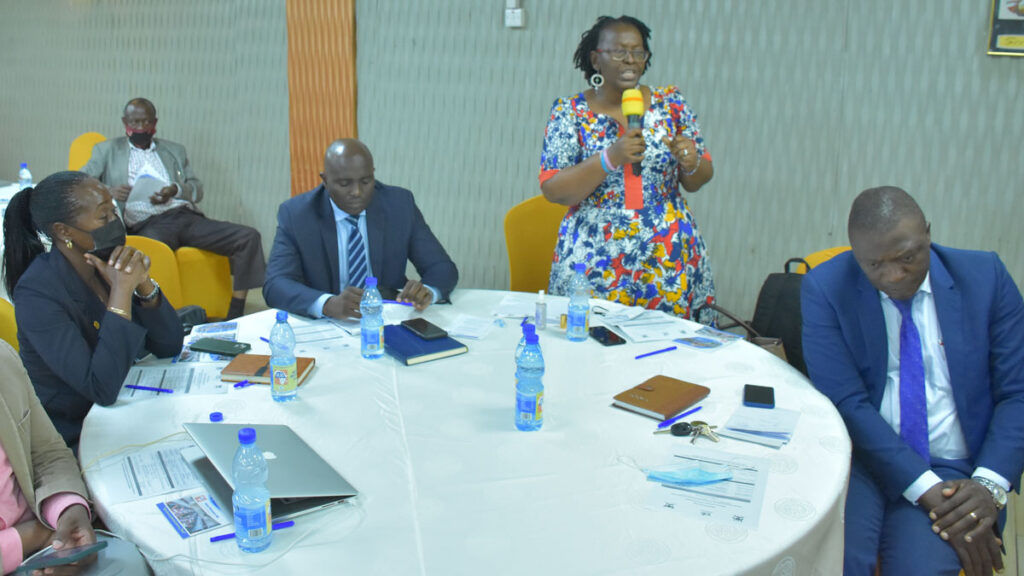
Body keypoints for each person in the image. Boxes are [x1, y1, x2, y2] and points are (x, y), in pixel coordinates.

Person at [801, 186, 1024, 576]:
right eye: (874, 265)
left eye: (907, 257)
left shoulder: (985, 278)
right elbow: (847, 401)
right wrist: (925, 489)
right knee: (834, 561)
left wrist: (987, 488)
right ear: (856, 255)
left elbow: (1017, 392)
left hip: (953, 468)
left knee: (919, 568)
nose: (893, 275)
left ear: (928, 234)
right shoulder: (825, 288)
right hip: (861, 458)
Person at [539, 15, 715, 323]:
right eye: (619, 52)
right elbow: (554, 189)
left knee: (668, 351)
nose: (630, 60)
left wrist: (691, 162)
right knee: (592, 349)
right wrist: (611, 157)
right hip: (594, 254)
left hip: (667, 251)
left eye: (638, 51)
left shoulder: (671, 103)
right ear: (596, 59)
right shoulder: (570, 112)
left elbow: (700, 178)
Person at [2, 171, 183, 449]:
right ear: (64, 231)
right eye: (104, 217)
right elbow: (100, 388)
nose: (115, 223)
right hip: (75, 434)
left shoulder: (105, 261)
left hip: (129, 410)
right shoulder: (38, 291)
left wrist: (144, 284)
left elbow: (169, 345)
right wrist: (121, 293)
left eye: (114, 211)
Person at [81, 97, 266, 320]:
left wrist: (175, 190)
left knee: (248, 237)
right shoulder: (107, 150)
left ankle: (236, 310)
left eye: (146, 122)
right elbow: (81, 182)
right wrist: (109, 191)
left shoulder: (173, 151)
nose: (141, 127)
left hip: (184, 216)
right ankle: (162, 316)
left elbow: (197, 188)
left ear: (155, 122)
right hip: (146, 222)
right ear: (125, 122)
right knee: (152, 257)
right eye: (135, 122)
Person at [263, 139, 458, 320]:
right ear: (325, 180)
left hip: (388, 319)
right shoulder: (297, 214)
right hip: (327, 327)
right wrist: (328, 304)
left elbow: (441, 267)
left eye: (365, 181)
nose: (357, 192)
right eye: (344, 184)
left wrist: (428, 291)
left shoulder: (399, 205)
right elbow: (276, 284)